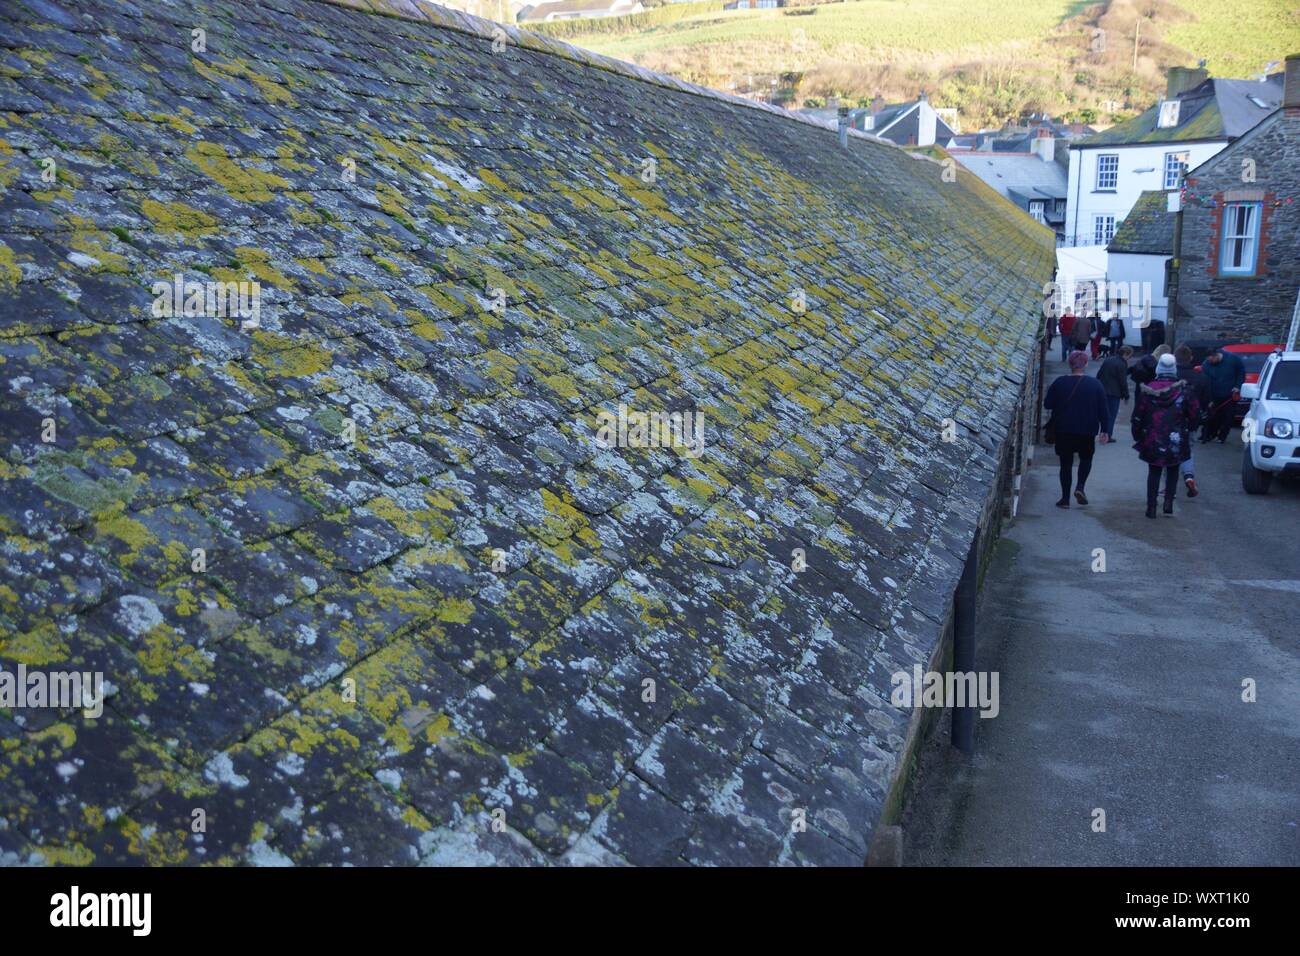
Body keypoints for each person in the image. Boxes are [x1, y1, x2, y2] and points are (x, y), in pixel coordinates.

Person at [1132, 353, 1202, 518]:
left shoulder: (1147, 390)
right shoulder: (1185, 390)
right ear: (1174, 369)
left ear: (1159, 368)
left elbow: (1138, 415)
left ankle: (1151, 507)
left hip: (1152, 435)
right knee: (1173, 470)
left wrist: (1137, 434)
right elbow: (1195, 413)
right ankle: (1168, 503)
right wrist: (1190, 429)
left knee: (1154, 471)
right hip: (1176, 435)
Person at [1045, 350, 1110, 508]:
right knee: (1086, 459)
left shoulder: (1059, 382)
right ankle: (1080, 487)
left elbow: (1048, 404)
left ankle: (1065, 499)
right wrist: (1105, 431)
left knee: (1065, 464)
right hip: (1087, 429)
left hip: (1064, 429)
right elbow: (1104, 411)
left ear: (1070, 364)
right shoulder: (1095, 385)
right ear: (1086, 364)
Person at [1174, 344, 1211, 498]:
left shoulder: (1171, 376)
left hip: (1171, 421)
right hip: (1191, 422)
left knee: (1170, 451)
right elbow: (1207, 402)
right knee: (1187, 449)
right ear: (1191, 358)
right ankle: (1188, 476)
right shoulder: (1202, 378)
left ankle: (1170, 488)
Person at [1200, 347, 1245, 443]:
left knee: (1227, 418)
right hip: (1214, 395)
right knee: (1211, 416)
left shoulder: (1232, 359)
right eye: (1208, 360)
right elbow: (1205, 382)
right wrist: (1209, 398)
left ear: (1216, 355)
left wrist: (1238, 386)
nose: (1210, 362)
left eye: (1211, 360)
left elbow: (1241, 371)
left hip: (1229, 395)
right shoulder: (1206, 365)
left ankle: (1222, 437)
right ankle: (1208, 435)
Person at [1096, 344, 1131, 438]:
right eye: (1129, 356)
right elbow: (1123, 381)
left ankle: (1097, 432)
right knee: (1111, 415)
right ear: (1125, 354)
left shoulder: (1108, 360)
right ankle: (1107, 435)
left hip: (1102, 390)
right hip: (1114, 393)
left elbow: (1099, 374)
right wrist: (1126, 395)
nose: (1129, 359)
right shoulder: (1122, 364)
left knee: (1101, 413)